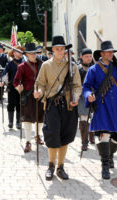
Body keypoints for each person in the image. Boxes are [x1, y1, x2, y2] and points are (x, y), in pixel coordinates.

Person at [83, 40, 117, 180]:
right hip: (102, 106)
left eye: (112, 52)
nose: (112, 54)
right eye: (109, 52)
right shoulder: (93, 69)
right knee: (103, 135)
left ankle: (110, 155)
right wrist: (89, 96)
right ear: (102, 53)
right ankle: (105, 165)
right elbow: (86, 87)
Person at [34, 36, 82, 180]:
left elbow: (77, 86)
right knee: (52, 134)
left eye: (62, 48)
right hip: (52, 105)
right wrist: (39, 92)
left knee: (65, 136)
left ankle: (61, 167)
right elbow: (40, 84)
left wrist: (76, 97)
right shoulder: (46, 66)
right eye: (57, 49)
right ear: (53, 50)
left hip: (68, 105)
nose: (60, 51)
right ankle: (50, 165)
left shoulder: (72, 66)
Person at [14, 43, 45, 153]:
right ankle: (28, 141)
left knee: (40, 117)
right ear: (27, 54)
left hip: (41, 94)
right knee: (27, 118)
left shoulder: (43, 65)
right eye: (31, 53)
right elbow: (16, 81)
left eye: (35, 53)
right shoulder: (22, 67)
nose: (33, 55)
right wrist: (19, 87)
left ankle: (37, 136)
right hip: (28, 95)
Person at [0, 45, 25, 129]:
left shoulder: (24, 63)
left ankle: (18, 122)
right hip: (12, 87)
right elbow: (5, 73)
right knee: (11, 104)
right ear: (14, 53)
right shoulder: (10, 64)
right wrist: (2, 81)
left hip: (21, 87)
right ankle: (10, 121)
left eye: (21, 51)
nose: (21, 52)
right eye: (19, 51)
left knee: (19, 105)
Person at [78, 48, 95, 151]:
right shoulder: (78, 69)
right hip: (82, 97)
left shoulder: (95, 68)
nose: (89, 58)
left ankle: (91, 134)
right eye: (86, 56)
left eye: (90, 56)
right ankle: (84, 142)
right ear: (81, 57)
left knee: (92, 118)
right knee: (84, 119)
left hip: (94, 97)